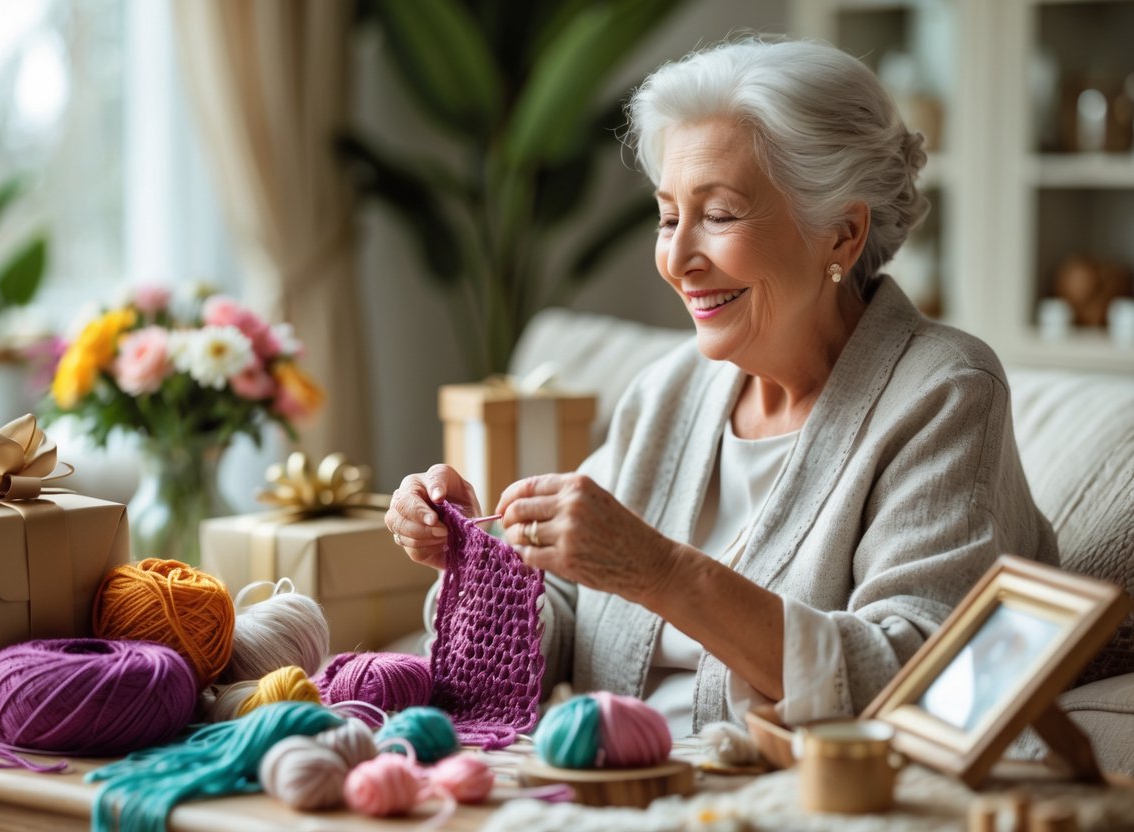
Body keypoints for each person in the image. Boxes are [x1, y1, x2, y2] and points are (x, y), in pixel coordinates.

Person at [384, 37, 1057, 737]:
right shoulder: (669, 391)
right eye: (668, 215)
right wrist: (476, 559)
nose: (676, 260)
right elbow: (564, 608)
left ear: (841, 234)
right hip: (600, 780)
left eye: (720, 214)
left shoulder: (942, 395)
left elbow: (917, 676)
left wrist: (661, 574)